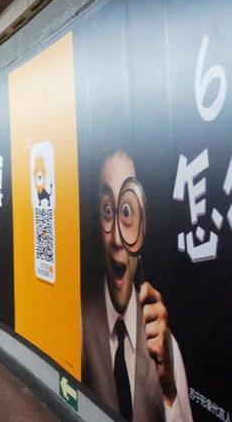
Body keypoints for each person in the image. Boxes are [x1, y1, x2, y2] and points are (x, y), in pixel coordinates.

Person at [81, 151, 190, 422]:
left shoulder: (168, 348)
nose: (118, 239)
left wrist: (168, 388)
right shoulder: (76, 326)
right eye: (108, 211)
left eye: (127, 212)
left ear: (143, 226)